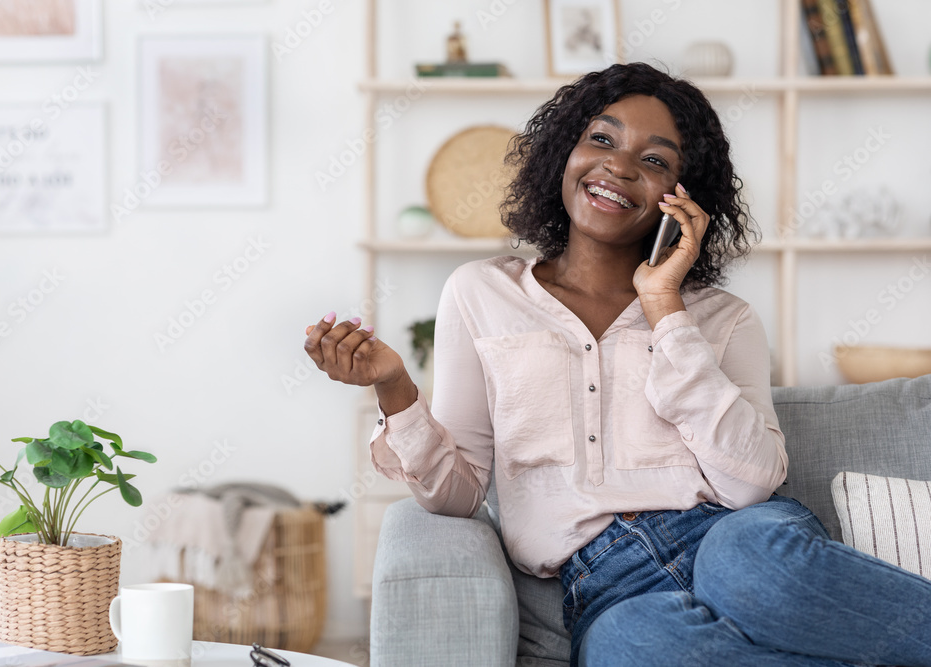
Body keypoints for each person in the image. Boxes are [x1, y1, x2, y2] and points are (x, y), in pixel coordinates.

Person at [304, 62, 931, 667]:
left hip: (729, 539)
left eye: (655, 160)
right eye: (601, 139)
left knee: (747, 567)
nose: (620, 166)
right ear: (564, 154)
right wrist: (395, 387)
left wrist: (665, 308)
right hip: (610, 590)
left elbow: (750, 484)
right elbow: (458, 495)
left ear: (683, 198)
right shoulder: (479, 293)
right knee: (630, 648)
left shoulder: (725, 318)